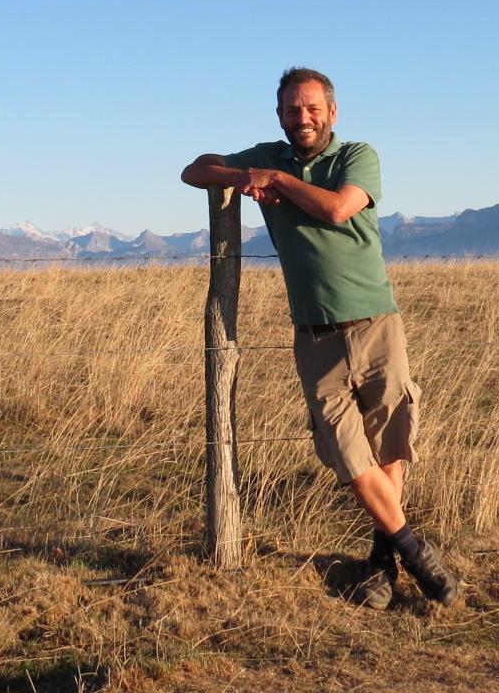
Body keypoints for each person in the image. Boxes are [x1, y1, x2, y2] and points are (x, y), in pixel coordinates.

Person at [179, 67, 462, 609]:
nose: (301, 118)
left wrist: (276, 181)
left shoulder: (357, 157)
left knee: (387, 449)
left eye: (311, 108)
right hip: (314, 338)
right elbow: (193, 171)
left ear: (332, 112)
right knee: (348, 456)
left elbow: (338, 209)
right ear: (279, 115)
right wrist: (240, 174)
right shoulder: (269, 154)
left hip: (376, 324)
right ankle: (415, 552)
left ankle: (380, 567)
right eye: (291, 109)